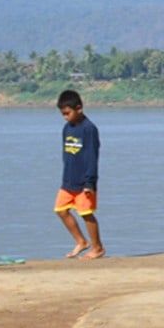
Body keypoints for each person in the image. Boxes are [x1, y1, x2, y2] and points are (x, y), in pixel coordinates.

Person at [54, 89, 105, 260]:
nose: (65, 117)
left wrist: (89, 183)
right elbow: (66, 154)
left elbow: (92, 156)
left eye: (67, 113)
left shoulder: (89, 129)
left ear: (79, 108)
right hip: (68, 180)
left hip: (84, 182)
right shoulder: (66, 128)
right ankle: (81, 241)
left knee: (86, 213)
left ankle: (97, 248)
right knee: (60, 210)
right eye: (63, 114)